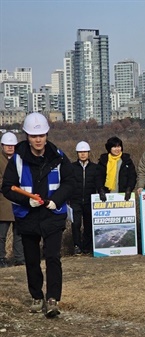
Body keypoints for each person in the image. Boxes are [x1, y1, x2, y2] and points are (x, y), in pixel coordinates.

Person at [1, 112, 75, 318]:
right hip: (28, 216)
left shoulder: (58, 157)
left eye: (42, 135)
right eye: (34, 136)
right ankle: (36, 296)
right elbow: (7, 187)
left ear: (47, 135)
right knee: (32, 260)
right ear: (27, 136)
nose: (38, 139)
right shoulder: (17, 159)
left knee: (53, 257)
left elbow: (70, 182)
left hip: (53, 214)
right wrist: (27, 200)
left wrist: (56, 200)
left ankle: (52, 299)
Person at [70, 141, 100, 255]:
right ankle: (77, 245)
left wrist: (100, 192)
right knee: (76, 224)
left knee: (88, 224)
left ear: (88, 153)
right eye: (80, 152)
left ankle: (87, 246)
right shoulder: (72, 167)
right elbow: (68, 183)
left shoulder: (95, 168)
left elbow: (98, 183)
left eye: (85, 152)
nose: (83, 154)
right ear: (77, 153)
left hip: (89, 200)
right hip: (75, 200)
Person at [0, 132, 25, 267]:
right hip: (3, 202)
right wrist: (10, 185)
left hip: (19, 202)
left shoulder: (20, 159)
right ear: (2, 146)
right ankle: (1, 259)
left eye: (12, 145)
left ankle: (20, 259)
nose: (10, 148)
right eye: (7, 145)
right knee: (1, 235)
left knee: (19, 234)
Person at [97, 136, 136, 202]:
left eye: (119, 146)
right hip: (107, 195)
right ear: (109, 148)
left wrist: (129, 188)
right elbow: (98, 177)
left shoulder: (126, 160)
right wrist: (100, 189)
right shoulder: (103, 161)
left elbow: (132, 176)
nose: (117, 149)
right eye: (114, 147)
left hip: (123, 195)